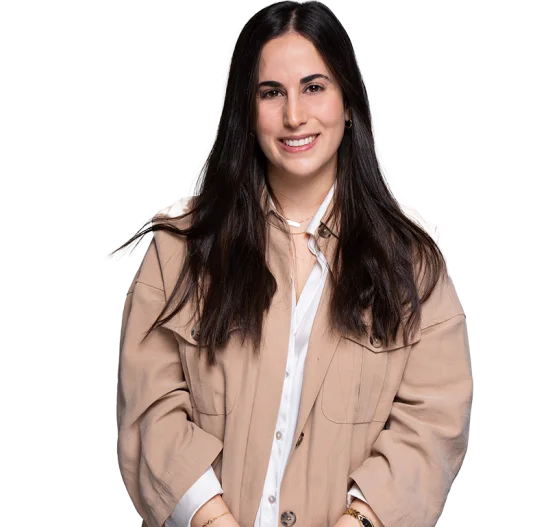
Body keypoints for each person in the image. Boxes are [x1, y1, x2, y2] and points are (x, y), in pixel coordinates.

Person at [113, 1, 473, 526]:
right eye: (271, 92)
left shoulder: (411, 259)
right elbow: (151, 408)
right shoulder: (181, 248)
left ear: (348, 102)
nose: (294, 116)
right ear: (246, 110)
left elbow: (432, 422)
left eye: (314, 87)